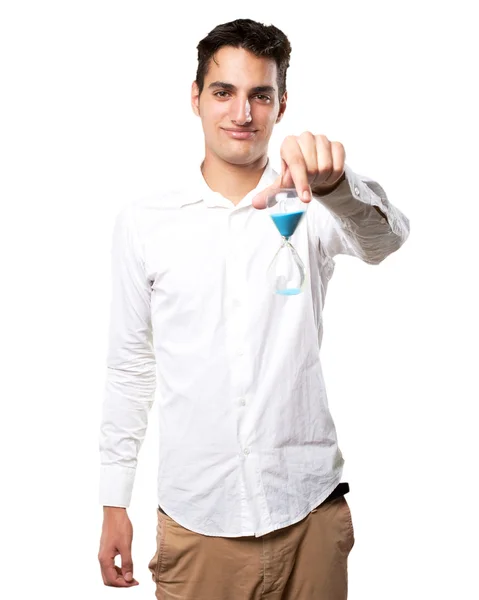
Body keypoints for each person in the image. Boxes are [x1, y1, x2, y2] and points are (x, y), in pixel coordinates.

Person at [97, 18, 410, 599]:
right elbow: (130, 367)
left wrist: (338, 185)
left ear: (281, 104)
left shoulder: (313, 202)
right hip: (199, 527)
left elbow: (386, 242)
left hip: (308, 515)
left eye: (260, 95)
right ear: (195, 98)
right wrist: (115, 499)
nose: (242, 113)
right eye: (224, 92)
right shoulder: (145, 223)